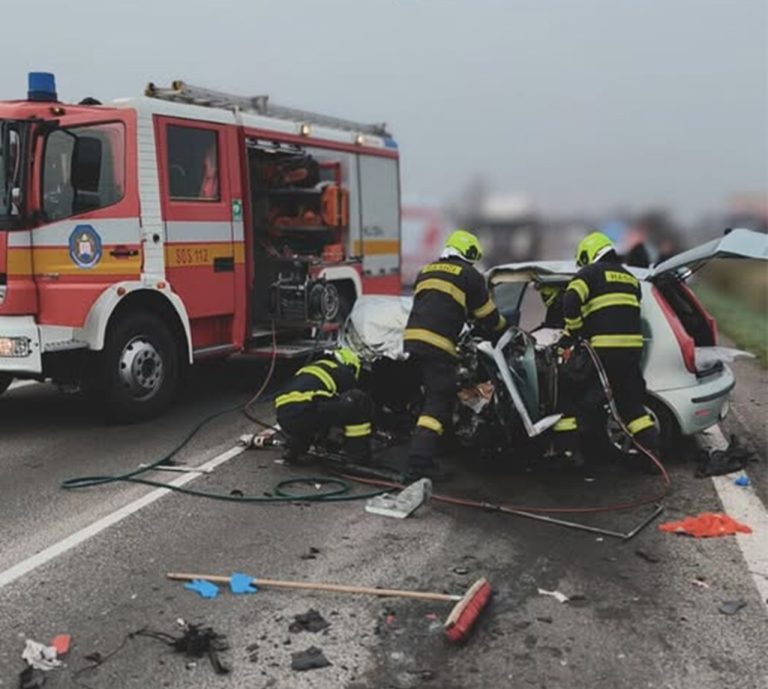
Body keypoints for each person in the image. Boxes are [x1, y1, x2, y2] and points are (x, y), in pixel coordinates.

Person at [404, 229, 507, 479]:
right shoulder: (469, 275)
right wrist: (505, 329)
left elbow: (438, 304)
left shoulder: (426, 270)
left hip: (412, 341)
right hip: (437, 344)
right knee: (438, 400)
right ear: (469, 253)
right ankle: (419, 464)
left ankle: (441, 446)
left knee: (436, 394)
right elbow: (487, 315)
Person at [555, 231, 660, 463]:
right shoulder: (630, 278)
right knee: (631, 404)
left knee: (567, 390)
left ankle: (568, 453)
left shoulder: (590, 273)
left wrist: (574, 331)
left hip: (602, 349)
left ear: (588, 254)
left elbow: (570, 299)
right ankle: (653, 456)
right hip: (631, 352)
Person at [275, 347, 373, 464]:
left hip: (284, 415)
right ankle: (358, 455)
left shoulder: (313, 367)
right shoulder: (342, 372)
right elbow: (348, 408)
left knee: (311, 411)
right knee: (358, 400)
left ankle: (294, 449)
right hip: (308, 409)